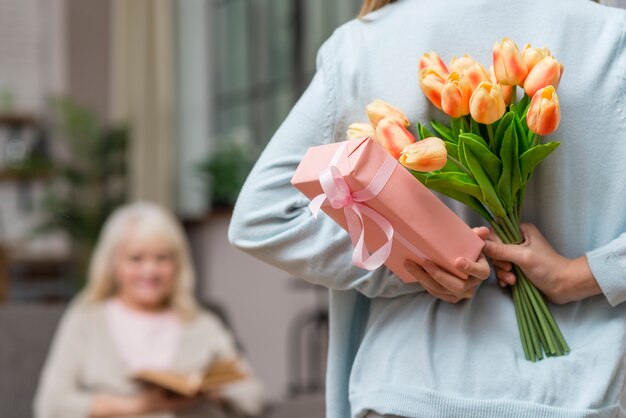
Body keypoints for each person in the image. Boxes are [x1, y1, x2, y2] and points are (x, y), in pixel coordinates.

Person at [228, 0, 626, 417]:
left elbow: (263, 217)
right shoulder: (610, 36)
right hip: (572, 388)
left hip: (408, 386)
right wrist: (579, 275)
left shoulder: (364, 43)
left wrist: (413, 262)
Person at [34, 202, 264, 418]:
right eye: (136, 259)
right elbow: (51, 406)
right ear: (113, 264)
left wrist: (211, 391)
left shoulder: (202, 324)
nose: (150, 271)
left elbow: (253, 397)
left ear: (178, 264)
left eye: (162, 258)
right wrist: (139, 406)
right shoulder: (86, 319)